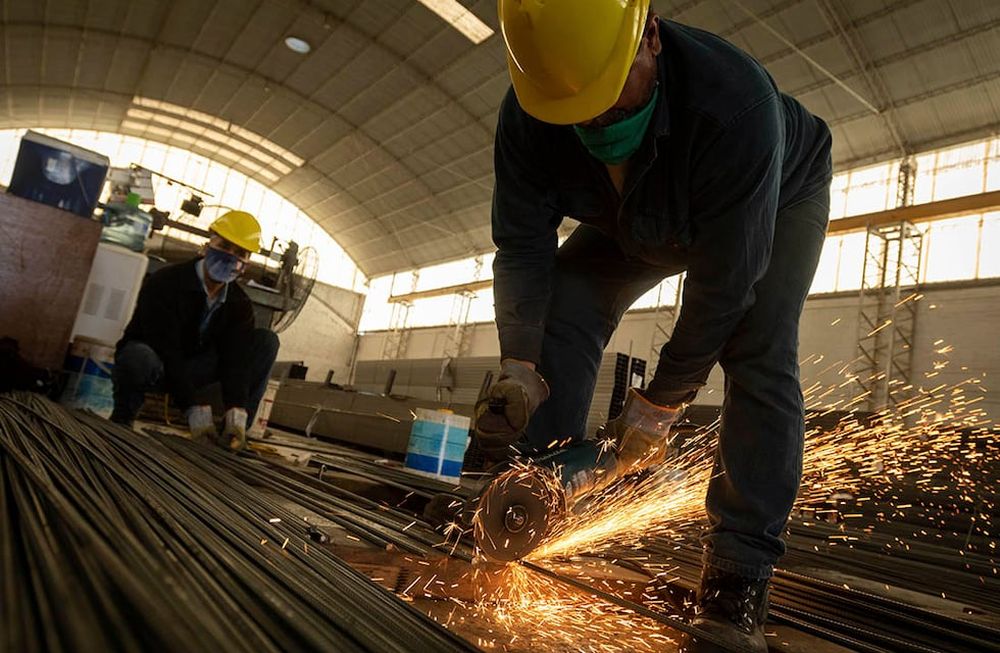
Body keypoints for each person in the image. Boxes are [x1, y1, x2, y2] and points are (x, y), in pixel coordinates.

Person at [475, 2, 833, 651]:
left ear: (652, 39)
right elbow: (524, 249)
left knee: (759, 345)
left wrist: (658, 407)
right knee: (567, 297)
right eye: (574, 109)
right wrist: (519, 367)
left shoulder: (736, 107)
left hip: (772, 196)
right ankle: (535, 497)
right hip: (632, 213)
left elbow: (723, 288)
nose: (593, 119)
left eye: (608, 99)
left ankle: (737, 579)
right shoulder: (530, 113)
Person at [110, 210, 279, 450]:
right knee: (138, 356)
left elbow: (236, 360)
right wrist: (192, 408)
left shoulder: (238, 304)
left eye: (239, 253)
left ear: (245, 265)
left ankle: (234, 435)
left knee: (266, 341)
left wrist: (236, 409)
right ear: (208, 245)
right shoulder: (166, 282)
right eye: (225, 246)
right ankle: (122, 420)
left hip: (195, 371)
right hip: (158, 365)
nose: (230, 256)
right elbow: (166, 348)